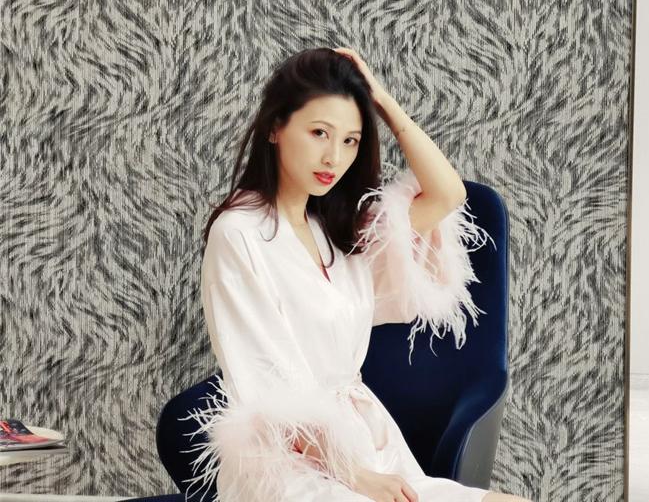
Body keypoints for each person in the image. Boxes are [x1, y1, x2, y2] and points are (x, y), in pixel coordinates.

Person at [182, 47, 532, 502]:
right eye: (319, 133)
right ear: (275, 127)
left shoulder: (342, 233)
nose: (334, 156)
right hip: (288, 466)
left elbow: (447, 194)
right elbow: (267, 390)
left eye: (350, 140)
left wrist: (381, 101)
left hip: (368, 445)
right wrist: (356, 476)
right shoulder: (239, 235)